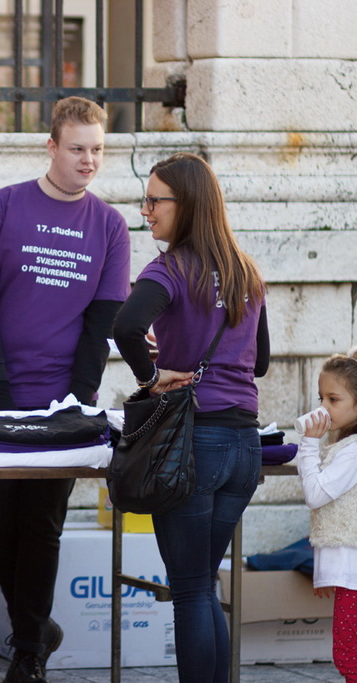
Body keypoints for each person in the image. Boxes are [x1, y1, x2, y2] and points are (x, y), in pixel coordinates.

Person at [0, 96, 130, 683]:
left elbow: (102, 321)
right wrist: (0, 389)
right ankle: (37, 626)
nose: (88, 160)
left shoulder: (109, 225)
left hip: (60, 404)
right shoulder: (3, 207)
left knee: (42, 522)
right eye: (77, 148)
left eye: (98, 150)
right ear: (50, 146)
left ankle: (29, 650)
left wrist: (78, 399)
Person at [113, 152, 268, 682]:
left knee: (191, 591)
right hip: (245, 450)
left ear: (188, 204)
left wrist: (151, 376)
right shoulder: (246, 271)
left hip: (191, 446)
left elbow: (126, 326)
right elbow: (261, 362)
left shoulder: (171, 268)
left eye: (155, 200)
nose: (146, 210)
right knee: (203, 584)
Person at [296, 351, 357, 683]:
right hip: (349, 574)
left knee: (349, 656)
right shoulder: (345, 447)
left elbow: (316, 495)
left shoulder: (352, 451)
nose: (323, 407)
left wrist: (307, 445)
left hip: (354, 574)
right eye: (322, 398)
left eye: (334, 399)